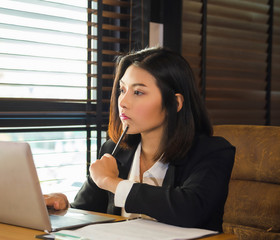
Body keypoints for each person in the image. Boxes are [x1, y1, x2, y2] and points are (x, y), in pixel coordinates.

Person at [44, 47, 235, 232]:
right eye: (122, 90)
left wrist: (112, 182)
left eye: (138, 92)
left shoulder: (213, 152)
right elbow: (86, 211)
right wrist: (63, 206)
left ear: (175, 103)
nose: (123, 102)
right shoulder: (114, 149)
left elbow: (191, 210)